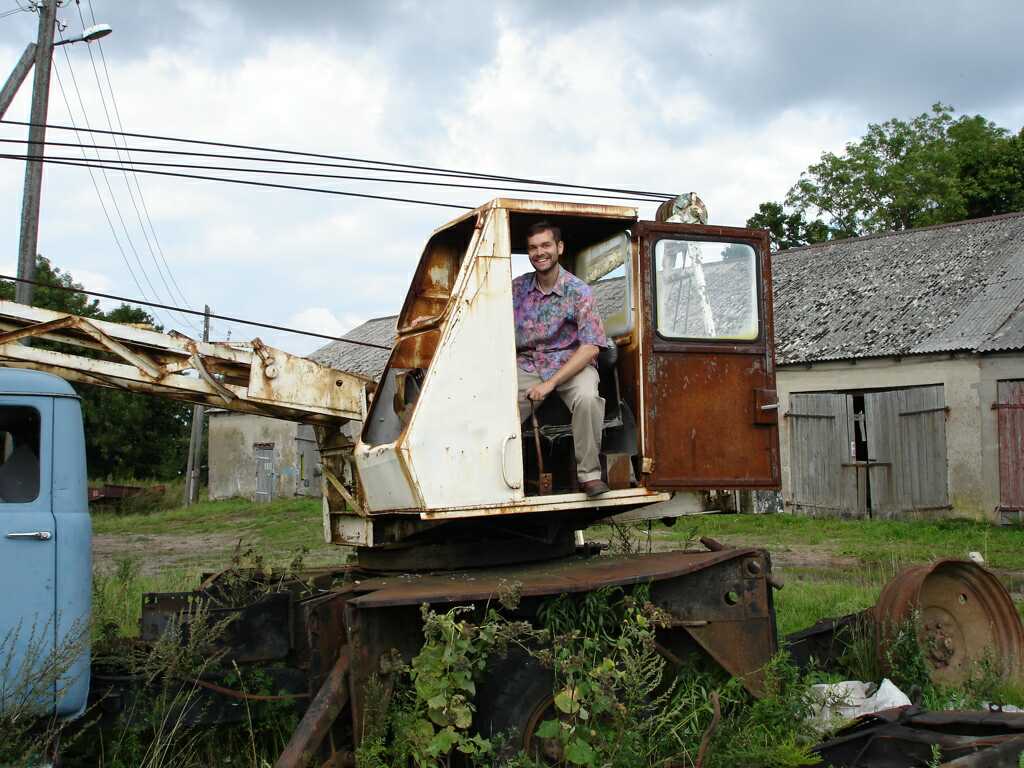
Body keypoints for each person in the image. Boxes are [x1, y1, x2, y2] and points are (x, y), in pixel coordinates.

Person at [513, 220, 610, 497]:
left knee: (588, 398)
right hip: (528, 364)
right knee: (495, 408)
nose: (539, 252)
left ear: (559, 248)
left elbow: (591, 347)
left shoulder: (579, 292)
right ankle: (497, 477)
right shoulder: (516, 290)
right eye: (532, 247)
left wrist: (550, 384)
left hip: (572, 364)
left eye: (545, 245)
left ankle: (589, 475)